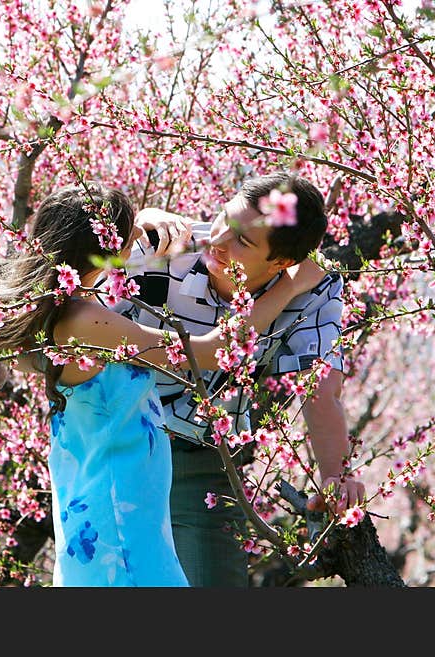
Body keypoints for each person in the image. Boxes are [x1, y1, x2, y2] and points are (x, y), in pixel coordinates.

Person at [0, 181, 326, 587]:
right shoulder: (85, 320)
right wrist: (290, 286)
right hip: (118, 512)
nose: (140, 236)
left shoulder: (65, 312)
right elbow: (208, 352)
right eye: (130, 232)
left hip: (111, 501)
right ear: (106, 246)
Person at [118, 171, 366, 587]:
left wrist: (335, 474)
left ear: (282, 262)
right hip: (119, 442)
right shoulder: (162, 247)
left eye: (243, 242)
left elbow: (320, 387)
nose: (218, 240)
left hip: (200, 462)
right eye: (224, 219)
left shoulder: (314, 289)